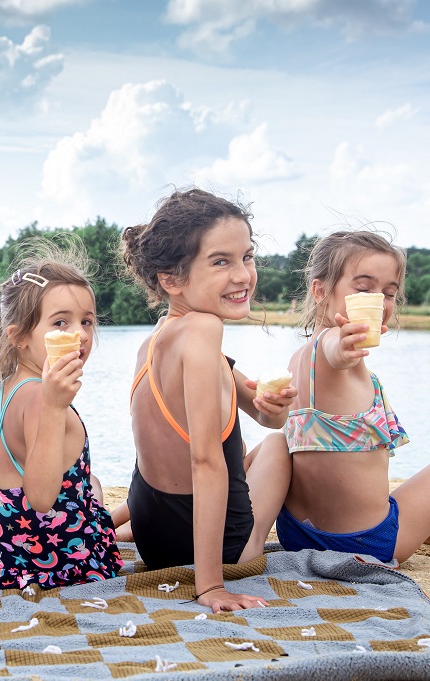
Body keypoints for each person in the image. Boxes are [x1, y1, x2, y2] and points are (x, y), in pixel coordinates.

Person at [118, 188, 295, 612]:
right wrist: (211, 585)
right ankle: (216, 567)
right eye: (221, 261)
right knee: (280, 449)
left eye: (246, 257)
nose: (242, 275)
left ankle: (122, 531)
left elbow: (261, 413)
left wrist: (274, 407)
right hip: (218, 551)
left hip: (153, 537)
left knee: (264, 442)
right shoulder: (202, 331)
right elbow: (203, 461)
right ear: (171, 278)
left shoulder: (156, 340)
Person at [0, 236, 123, 589]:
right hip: (53, 558)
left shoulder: (7, 387)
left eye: (87, 321)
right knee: (93, 490)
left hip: (3, 552)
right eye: (61, 323)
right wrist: (53, 406)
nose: (79, 335)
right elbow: (40, 498)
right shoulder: (41, 399)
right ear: (19, 337)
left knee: (91, 485)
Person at [279, 230, 429, 563]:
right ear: (320, 291)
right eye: (363, 288)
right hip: (365, 542)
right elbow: (333, 350)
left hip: (298, 534)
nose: (379, 300)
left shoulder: (298, 357)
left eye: (388, 293)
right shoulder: (332, 349)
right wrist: (343, 351)